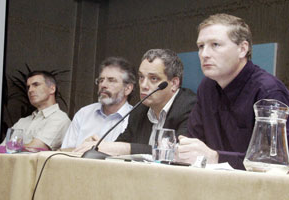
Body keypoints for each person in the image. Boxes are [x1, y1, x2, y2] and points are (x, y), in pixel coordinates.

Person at [176, 13, 289, 169]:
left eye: (215, 44)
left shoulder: (268, 91)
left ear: (242, 49)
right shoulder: (207, 87)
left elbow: (276, 161)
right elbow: (194, 138)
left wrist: (216, 157)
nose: (204, 54)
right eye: (201, 46)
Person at [74, 49, 197, 155]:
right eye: (141, 77)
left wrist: (120, 148)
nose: (143, 85)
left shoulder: (190, 107)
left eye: (153, 78)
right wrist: (100, 145)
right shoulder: (139, 110)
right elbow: (121, 144)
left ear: (174, 83)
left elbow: (179, 153)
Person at [61, 57, 136, 149]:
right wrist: (82, 148)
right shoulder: (84, 114)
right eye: (101, 80)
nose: (103, 85)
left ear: (127, 89)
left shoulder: (134, 119)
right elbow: (64, 151)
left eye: (111, 80)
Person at [9, 71, 71, 150]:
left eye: (36, 85)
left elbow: (33, 149)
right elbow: (1, 149)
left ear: (52, 89)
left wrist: (14, 146)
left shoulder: (60, 119)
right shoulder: (22, 121)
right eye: (28, 87)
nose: (30, 90)